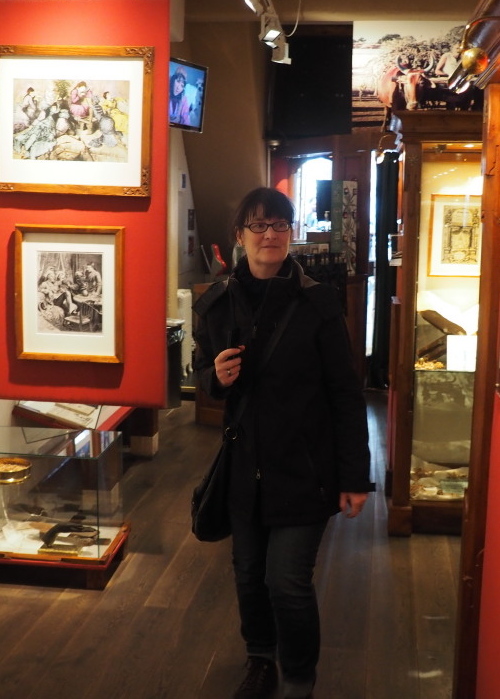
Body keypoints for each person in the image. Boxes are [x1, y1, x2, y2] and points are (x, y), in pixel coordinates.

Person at [193, 187, 372, 699]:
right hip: (244, 467)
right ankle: (259, 658)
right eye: (258, 225)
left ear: (290, 233)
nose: (269, 234)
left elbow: (345, 394)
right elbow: (201, 373)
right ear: (240, 235)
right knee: (249, 575)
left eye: (279, 225)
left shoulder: (317, 303)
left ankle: (297, 677)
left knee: (287, 582)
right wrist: (214, 379)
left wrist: (355, 477)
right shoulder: (217, 304)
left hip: (305, 467)